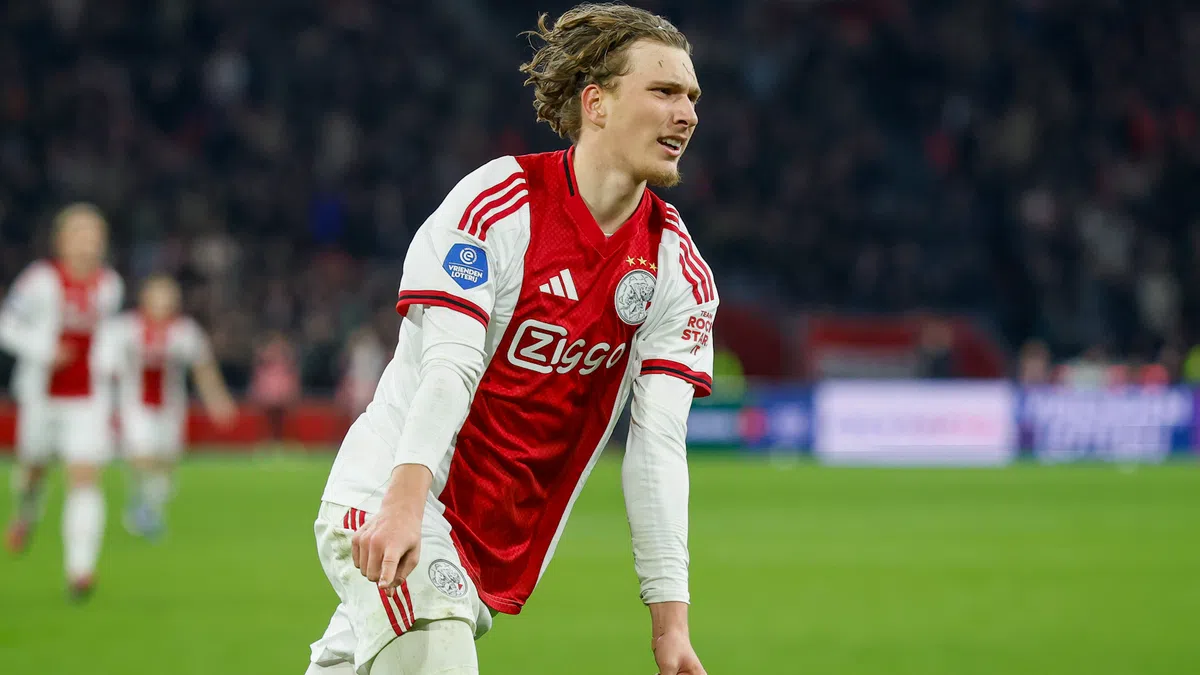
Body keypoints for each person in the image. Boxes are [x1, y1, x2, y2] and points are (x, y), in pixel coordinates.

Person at [305, 4, 715, 674]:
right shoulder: (502, 202)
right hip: (391, 495)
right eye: (665, 91)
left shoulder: (675, 266)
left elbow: (658, 447)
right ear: (597, 104)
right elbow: (450, 365)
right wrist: (402, 506)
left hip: (486, 550)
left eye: (692, 97)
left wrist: (670, 625)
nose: (687, 114)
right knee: (437, 640)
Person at [0, 202, 124, 600]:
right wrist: (43, 349)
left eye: (95, 235)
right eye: (80, 234)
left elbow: (108, 335)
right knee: (33, 470)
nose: (88, 242)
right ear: (61, 241)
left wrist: (111, 364)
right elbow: (7, 323)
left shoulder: (110, 284)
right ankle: (26, 513)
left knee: (84, 475)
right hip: (41, 396)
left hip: (88, 399)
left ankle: (80, 570)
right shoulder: (39, 280)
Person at [93, 275, 236, 538]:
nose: (162, 303)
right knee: (142, 455)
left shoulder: (184, 331)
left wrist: (217, 401)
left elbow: (203, 368)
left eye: (168, 297)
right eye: (158, 296)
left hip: (170, 407)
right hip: (135, 406)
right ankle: (141, 507)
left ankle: (149, 506)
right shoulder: (125, 328)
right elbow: (104, 367)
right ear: (145, 298)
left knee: (166, 463)